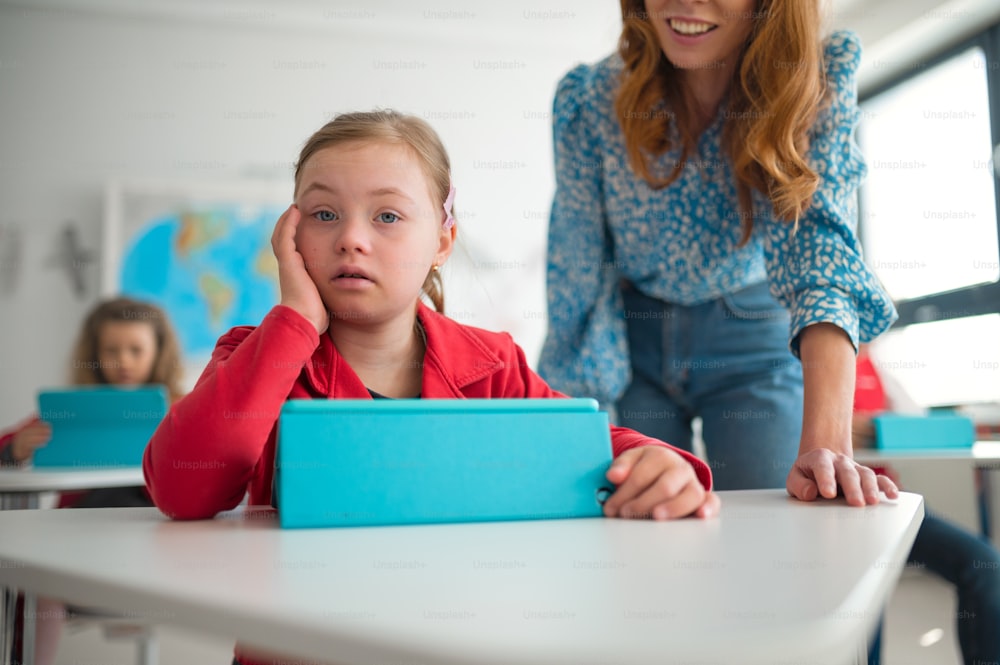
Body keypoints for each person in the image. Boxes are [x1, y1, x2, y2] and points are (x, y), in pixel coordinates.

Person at [142, 109, 721, 665]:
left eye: (387, 217)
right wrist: (295, 318)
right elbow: (183, 490)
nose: (351, 239)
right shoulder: (255, 355)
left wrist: (659, 461)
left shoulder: (492, 363)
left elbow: (576, 442)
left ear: (442, 241)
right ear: (289, 237)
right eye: (322, 215)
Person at [538, 0, 899, 505]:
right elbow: (576, 270)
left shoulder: (813, 77)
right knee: (645, 528)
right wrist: (564, 426)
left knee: (778, 527)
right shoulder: (589, 100)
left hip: (755, 338)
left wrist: (826, 441)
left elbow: (821, 249)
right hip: (634, 345)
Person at [0, 296, 184, 665]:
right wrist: (16, 450)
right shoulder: (72, 411)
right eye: (111, 349)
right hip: (78, 545)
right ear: (95, 353)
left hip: (151, 547)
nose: (124, 361)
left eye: (136, 349)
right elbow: (8, 444)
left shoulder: (181, 410)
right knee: (37, 583)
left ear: (158, 352)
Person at [853, 344, 1000, 665]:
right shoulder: (800, 364)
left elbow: (919, 426)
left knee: (985, 565)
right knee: (866, 610)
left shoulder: (877, 371)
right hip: (842, 512)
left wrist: (874, 428)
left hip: (889, 503)